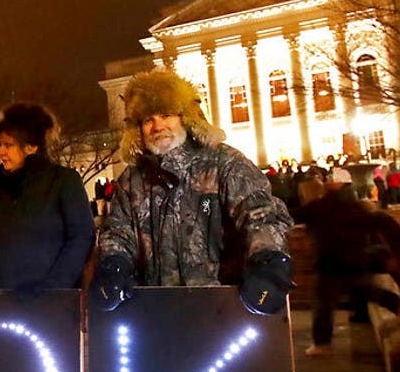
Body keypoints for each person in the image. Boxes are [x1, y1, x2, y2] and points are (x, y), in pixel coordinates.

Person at [92, 69, 295, 316]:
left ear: (185, 118)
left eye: (166, 115)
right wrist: (114, 265)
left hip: (221, 305)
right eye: (148, 120)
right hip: (157, 309)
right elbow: (118, 232)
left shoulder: (224, 163)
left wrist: (269, 262)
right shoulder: (131, 180)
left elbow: (258, 214)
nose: (158, 126)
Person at [0, 103, 95, 295]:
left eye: (9, 145)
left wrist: (54, 286)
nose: (1, 152)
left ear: (31, 146)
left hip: (45, 300)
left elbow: (81, 237)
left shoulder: (62, 181)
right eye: (1, 145)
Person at [292, 167, 400, 356]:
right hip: (356, 259)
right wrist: (396, 253)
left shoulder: (317, 208)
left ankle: (322, 344)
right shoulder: (356, 207)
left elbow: (289, 216)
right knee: (366, 290)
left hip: (329, 263)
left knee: (323, 304)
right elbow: (386, 222)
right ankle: (398, 305)